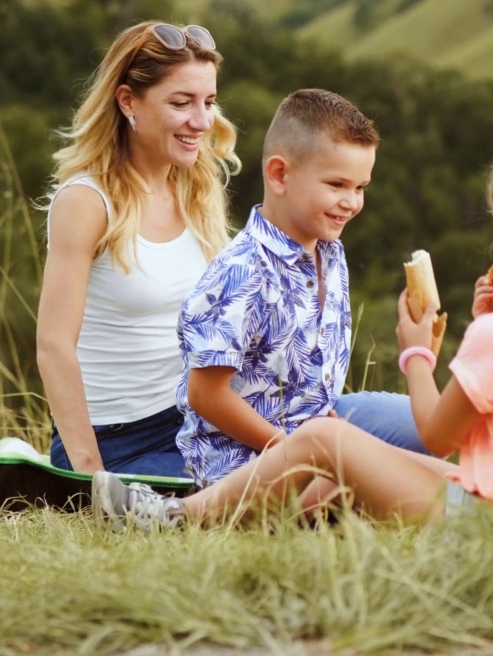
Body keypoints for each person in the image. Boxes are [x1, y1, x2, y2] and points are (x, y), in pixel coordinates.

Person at [91, 134, 493, 529]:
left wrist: (418, 355)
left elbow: (438, 434)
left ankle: (175, 517)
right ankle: (288, 514)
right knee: (362, 466)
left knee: (323, 439)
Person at [171, 89, 435, 489]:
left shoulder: (330, 253)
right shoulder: (242, 271)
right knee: (363, 486)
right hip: (247, 458)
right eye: (337, 184)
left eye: (360, 187)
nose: (350, 202)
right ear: (279, 175)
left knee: (432, 425)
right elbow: (205, 396)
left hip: (318, 425)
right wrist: (292, 449)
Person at [37, 21, 240, 478]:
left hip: (197, 418)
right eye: (181, 103)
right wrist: (91, 473)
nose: (202, 121)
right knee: (286, 484)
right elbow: (53, 346)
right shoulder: (87, 202)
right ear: (128, 101)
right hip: (117, 443)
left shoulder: (197, 190)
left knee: (342, 441)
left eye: (208, 102)